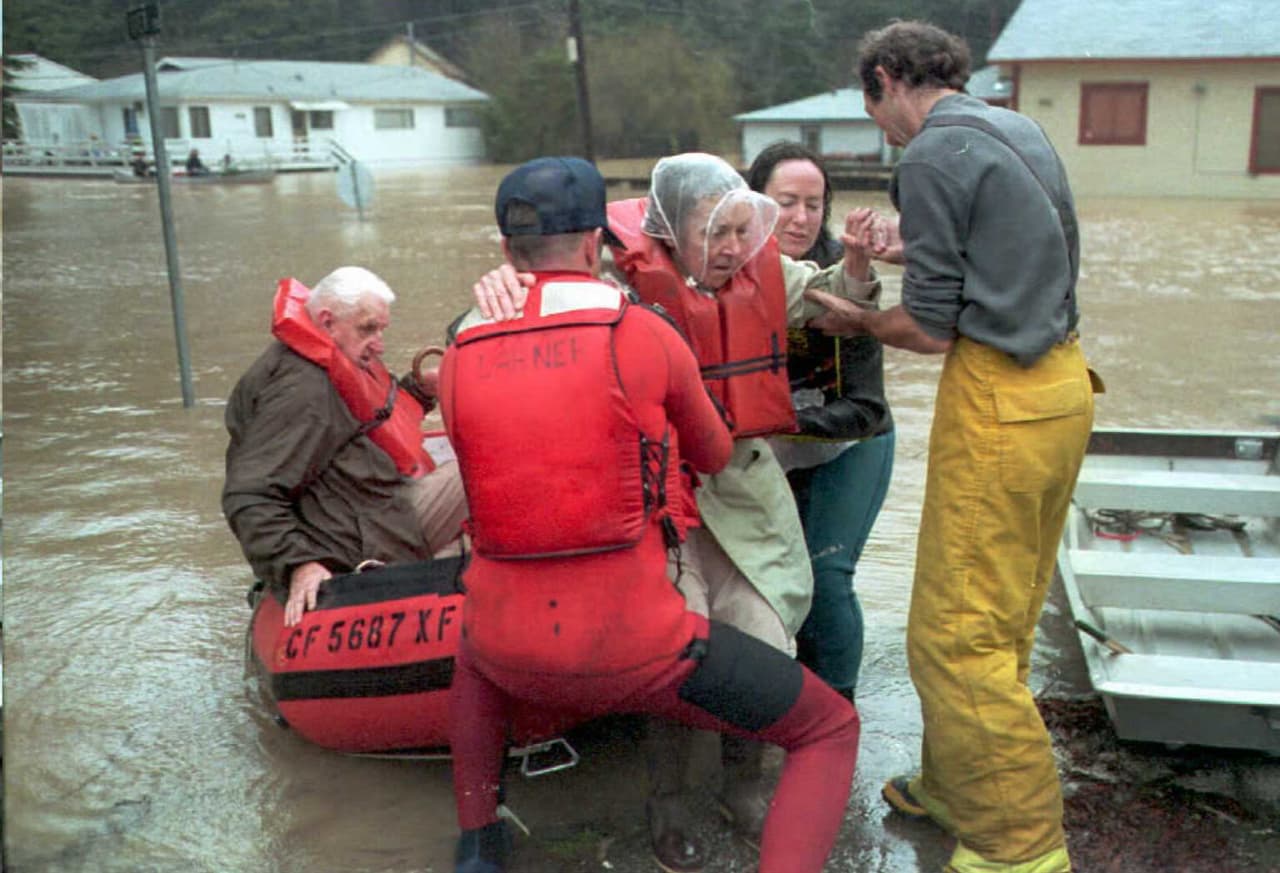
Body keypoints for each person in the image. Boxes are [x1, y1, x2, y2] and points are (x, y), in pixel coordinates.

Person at [441, 155, 860, 873]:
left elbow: (835, 298)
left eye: (739, 230)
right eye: (714, 231)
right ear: (597, 244)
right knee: (823, 722)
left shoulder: (465, 346)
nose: (732, 246)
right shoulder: (637, 323)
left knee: (476, 652)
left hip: (528, 616)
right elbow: (713, 446)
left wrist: (856, 262)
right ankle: (670, 807)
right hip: (649, 588)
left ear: (508, 250)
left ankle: (479, 839)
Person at [804, 21, 1098, 873]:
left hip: (1002, 395)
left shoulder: (930, 153)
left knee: (954, 635)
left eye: (874, 110)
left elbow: (930, 330)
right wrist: (913, 248)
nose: (882, 133)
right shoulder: (1014, 124)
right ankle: (958, 784)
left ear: (887, 79)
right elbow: (1018, 250)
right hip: (1063, 384)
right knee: (997, 612)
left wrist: (855, 317)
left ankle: (1018, 846)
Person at [223, 266, 467, 627]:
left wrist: (415, 392)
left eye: (381, 329)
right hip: (365, 531)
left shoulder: (326, 359)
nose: (379, 343)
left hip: (372, 507)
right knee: (492, 468)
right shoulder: (303, 392)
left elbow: (361, 422)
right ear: (327, 320)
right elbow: (249, 494)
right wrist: (299, 564)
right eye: (368, 329)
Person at [746, 141, 896, 702]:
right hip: (768, 442)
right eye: (787, 202)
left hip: (848, 442)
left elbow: (867, 407)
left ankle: (838, 711)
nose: (802, 218)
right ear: (752, 202)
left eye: (814, 204)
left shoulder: (842, 278)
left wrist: (778, 421)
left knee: (824, 577)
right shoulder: (721, 266)